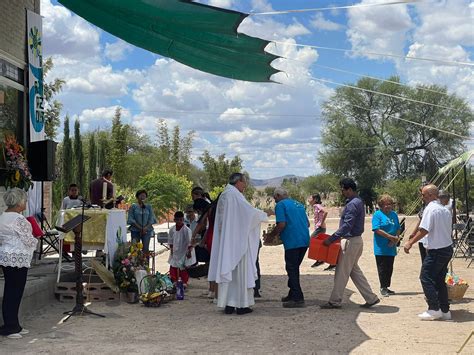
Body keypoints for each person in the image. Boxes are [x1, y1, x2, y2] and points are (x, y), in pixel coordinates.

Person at [209, 173, 268, 315]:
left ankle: (229, 304)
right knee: (240, 271)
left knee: (231, 272)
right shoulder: (234, 195)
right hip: (237, 241)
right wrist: (263, 214)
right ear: (238, 182)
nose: (245, 186)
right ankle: (241, 305)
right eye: (244, 182)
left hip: (229, 240)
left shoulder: (225, 194)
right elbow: (247, 214)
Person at [320, 178, 380, 309]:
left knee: (341, 271)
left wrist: (331, 239)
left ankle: (335, 301)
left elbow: (347, 225)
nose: (342, 192)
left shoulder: (353, 204)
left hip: (350, 241)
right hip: (356, 241)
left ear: (349, 189)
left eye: (343, 189)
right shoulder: (357, 202)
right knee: (354, 271)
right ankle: (371, 298)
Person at [404, 184, 453, 321]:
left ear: (431, 195)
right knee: (439, 280)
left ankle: (434, 308)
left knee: (425, 277)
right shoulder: (445, 209)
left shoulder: (430, 209)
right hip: (446, 248)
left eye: (424, 195)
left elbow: (424, 229)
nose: (422, 197)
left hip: (437, 250)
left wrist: (410, 242)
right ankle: (445, 310)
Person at [0, 188, 38, 339]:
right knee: (14, 292)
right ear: (19, 202)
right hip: (17, 257)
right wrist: (37, 239)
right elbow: (28, 240)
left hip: (6, 256)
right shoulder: (19, 219)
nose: (26, 203)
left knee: (11, 290)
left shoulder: (3, 216)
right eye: (25, 200)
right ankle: (10, 326)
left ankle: (14, 324)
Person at [265, 187, 310, 308]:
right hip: (304, 240)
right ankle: (292, 293)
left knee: (291, 268)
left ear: (278, 196)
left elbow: (281, 224)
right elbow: (308, 223)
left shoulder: (280, 205)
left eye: (275, 199)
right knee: (294, 267)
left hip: (292, 241)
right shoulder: (299, 204)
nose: (275, 201)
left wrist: (271, 235)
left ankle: (297, 297)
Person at [371, 194, 400, 297]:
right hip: (381, 247)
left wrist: (395, 238)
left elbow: (398, 227)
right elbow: (376, 229)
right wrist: (389, 237)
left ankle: (387, 286)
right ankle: (383, 287)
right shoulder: (377, 215)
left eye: (389, 204)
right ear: (381, 205)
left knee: (389, 267)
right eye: (385, 204)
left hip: (391, 246)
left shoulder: (394, 214)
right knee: (382, 267)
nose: (387, 206)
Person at [168, 211, 195, 287]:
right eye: (177, 220)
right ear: (174, 220)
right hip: (175, 251)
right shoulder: (172, 229)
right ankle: (174, 280)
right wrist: (172, 250)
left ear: (183, 219)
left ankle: (184, 282)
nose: (179, 221)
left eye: (181, 220)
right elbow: (170, 241)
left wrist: (189, 252)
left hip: (184, 251)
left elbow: (190, 242)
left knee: (183, 267)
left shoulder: (186, 230)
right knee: (173, 266)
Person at [309, 193, 332, 269]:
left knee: (312, 241)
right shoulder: (315, 206)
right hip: (319, 228)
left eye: (310, 198)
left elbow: (325, 212)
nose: (309, 200)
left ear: (315, 199)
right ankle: (321, 259)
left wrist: (321, 222)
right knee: (319, 244)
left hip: (320, 228)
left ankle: (321, 260)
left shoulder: (317, 206)